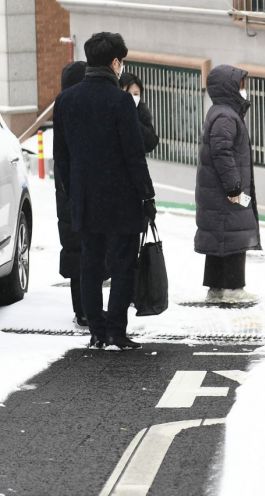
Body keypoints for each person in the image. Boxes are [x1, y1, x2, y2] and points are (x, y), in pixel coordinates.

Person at [53, 32, 156, 350]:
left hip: (84, 197)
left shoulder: (66, 101)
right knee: (123, 264)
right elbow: (133, 154)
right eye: (120, 62)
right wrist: (146, 194)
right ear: (114, 63)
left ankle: (96, 331)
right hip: (121, 198)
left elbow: (62, 156)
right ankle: (116, 330)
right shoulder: (120, 101)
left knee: (90, 264)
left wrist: (72, 193)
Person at [194, 65, 261, 303]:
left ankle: (216, 288)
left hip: (217, 191)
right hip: (227, 192)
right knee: (235, 236)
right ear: (229, 87)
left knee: (220, 238)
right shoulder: (226, 116)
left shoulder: (220, 112)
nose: (243, 90)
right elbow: (222, 153)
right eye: (240, 85)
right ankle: (233, 288)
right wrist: (234, 187)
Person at [53, 61, 88, 329]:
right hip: (74, 196)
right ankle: (85, 310)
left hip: (68, 196)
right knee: (82, 254)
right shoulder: (72, 111)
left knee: (78, 254)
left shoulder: (63, 108)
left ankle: (83, 310)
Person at [119, 72, 160, 153]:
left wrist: (133, 121)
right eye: (127, 93)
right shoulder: (109, 112)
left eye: (136, 94)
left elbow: (152, 142)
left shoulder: (140, 112)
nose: (132, 98)